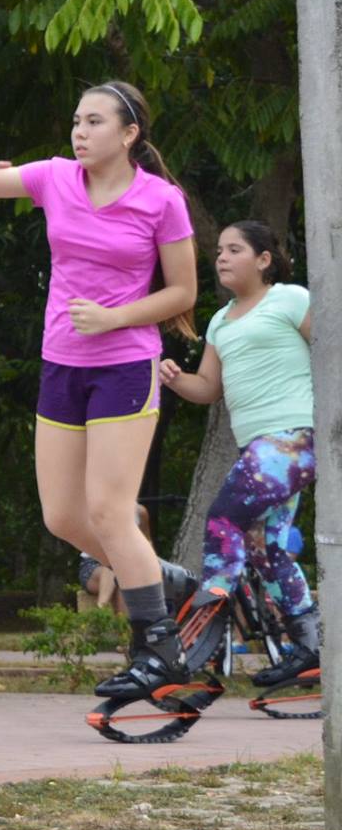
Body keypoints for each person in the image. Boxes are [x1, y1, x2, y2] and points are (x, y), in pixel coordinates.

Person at [0, 81, 198, 701]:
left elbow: (183, 294)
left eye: (94, 122)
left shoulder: (161, 200)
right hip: (61, 364)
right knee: (63, 516)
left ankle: (159, 650)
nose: (79, 133)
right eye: (76, 122)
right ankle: (163, 575)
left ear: (129, 133)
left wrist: (115, 318)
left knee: (111, 512)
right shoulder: (55, 178)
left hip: (125, 364)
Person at [158, 219, 319, 686]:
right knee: (266, 547)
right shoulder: (220, 320)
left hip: (293, 437)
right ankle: (309, 648)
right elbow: (208, 388)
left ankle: (208, 615)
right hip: (260, 447)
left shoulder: (290, 298)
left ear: (264, 259)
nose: (222, 258)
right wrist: (174, 378)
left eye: (235, 250)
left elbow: (330, 351)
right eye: (219, 252)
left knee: (223, 518)